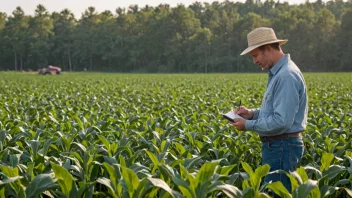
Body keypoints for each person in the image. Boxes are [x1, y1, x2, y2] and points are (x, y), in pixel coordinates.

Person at [232, 27, 308, 194]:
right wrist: (251, 113)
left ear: (267, 49)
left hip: (282, 146)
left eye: (255, 55)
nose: (254, 61)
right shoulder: (279, 73)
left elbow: (281, 121)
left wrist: (248, 124)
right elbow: (276, 112)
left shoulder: (286, 76)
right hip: (279, 146)